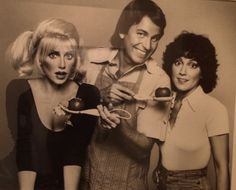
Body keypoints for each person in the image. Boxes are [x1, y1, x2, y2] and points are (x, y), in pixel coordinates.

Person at [77, 0, 170, 189]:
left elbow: (143, 149)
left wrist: (118, 126)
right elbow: (68, 111)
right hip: (86, 182)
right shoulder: (91, 61)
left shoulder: (158, 80)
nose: (147, 45)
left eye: (155, 38)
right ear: (122, 31)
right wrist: (99, 96)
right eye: (141, 34)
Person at [6, 18, 100, 190]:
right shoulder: (18, 90)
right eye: (53, 54)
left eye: (69, 56)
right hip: (17, 180)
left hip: (62, 182)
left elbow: (75, 151)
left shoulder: (88, 94)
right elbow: (25, 149)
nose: (62, 65)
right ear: (40, 58)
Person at [156, 32, 230, 190]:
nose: (183, 72)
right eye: (178, 62)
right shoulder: (166, 102)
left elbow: (222, 168)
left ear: (203, 71)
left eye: (193, 65)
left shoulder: (214, 109)